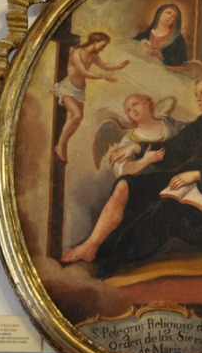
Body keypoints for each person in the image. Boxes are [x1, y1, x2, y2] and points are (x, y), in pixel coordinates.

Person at [62, 77, 202, 276]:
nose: (198, 98)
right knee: (127, 184)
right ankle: (92, 244)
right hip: (190, 183)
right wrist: (138, 148)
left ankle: (110, 259)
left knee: (166, 209)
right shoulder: (200, 125)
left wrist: (199, 175)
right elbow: (173, 151)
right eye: (196, 94)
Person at [62, 93, 185, 263]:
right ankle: (90, 245)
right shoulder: (129, 138)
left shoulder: (170, 124)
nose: (132, 110)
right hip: (147, 191)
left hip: (178, 182)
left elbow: (192, 140)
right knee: (123, 185)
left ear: (147, 103)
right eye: (128, 110)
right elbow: (123, 170)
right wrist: (145, 161)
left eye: (135, 104)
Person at [51, 32, 130, 162]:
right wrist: (104, 76)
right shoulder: (77, 53)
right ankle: (59, 146)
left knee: (78, 119)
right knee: (76, 115)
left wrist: (120, 66)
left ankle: (64, 143)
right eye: (102, 45)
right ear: (95, 42)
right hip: (68, 88)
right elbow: (84, 72)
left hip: (80, 91)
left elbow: (105, 66)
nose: (102, 49)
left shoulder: (93, 56)